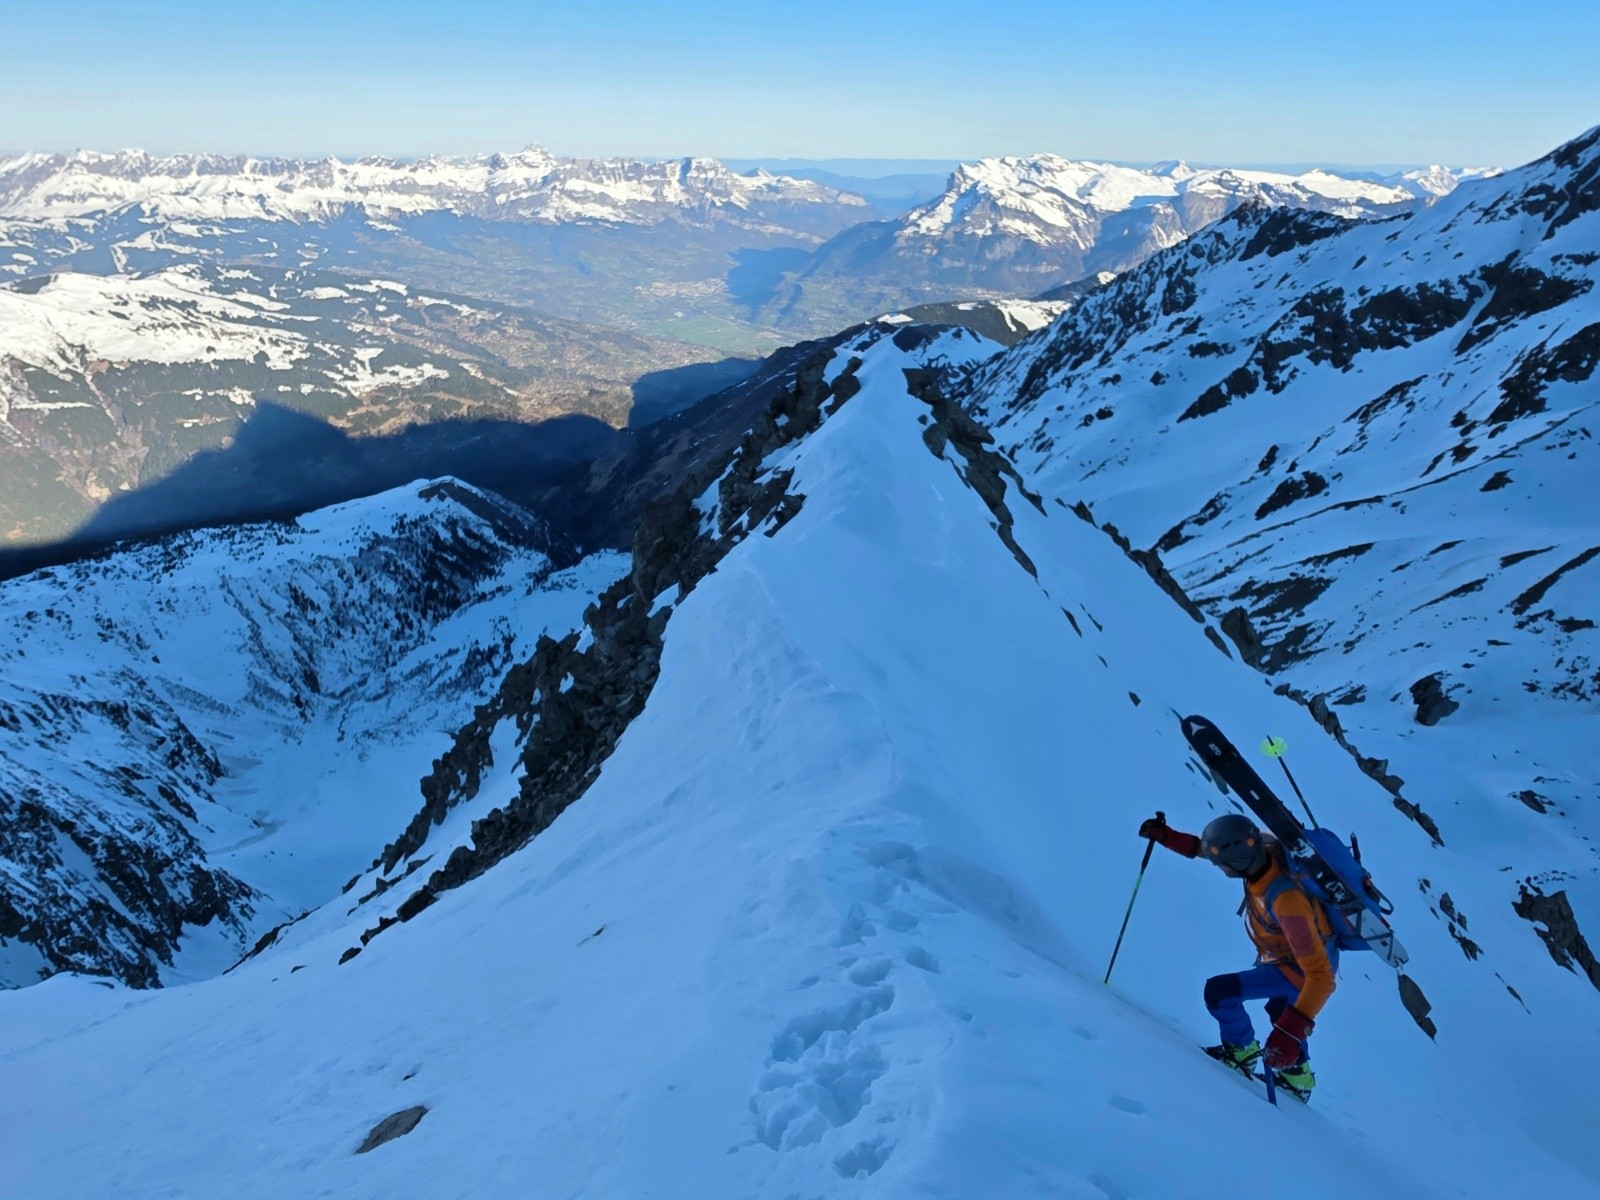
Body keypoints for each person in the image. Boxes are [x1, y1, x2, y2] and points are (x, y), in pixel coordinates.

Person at [1137, 811, 1336, 1099]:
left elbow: (1320, 977)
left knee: (1220, 992)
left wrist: (1291, 1032)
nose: (1219, 867)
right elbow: (1207, 850)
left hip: (1301, 970)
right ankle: (1298, 1077)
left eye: (1222, 864)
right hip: (1294, 958)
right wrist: (1167, 837)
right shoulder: (1262, 852)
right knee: (1280, 1009)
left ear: (1238, 862)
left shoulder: (1286, 901)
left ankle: (1242, 1050)